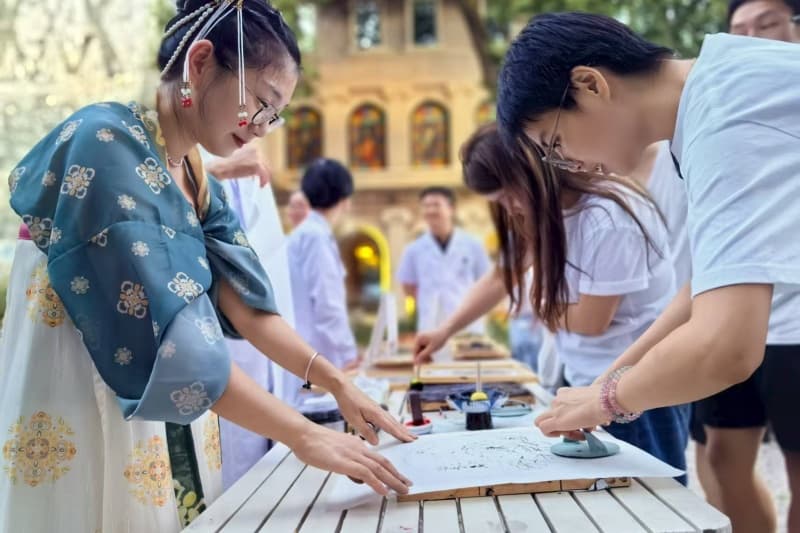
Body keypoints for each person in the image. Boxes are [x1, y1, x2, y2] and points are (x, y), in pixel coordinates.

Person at [0, 3, 412, 531]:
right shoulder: (103, 143)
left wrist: (335, 382)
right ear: (199, 63)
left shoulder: (193, 172)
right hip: (87, 386)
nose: (263, 129)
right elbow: (176, 343)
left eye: (274, 115)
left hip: (166, 390)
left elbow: (245, 301)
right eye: (261, 104)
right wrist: (305, 435)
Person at [496, 12, 800, 528]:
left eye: (554, 145)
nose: (569, 164)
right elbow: (700, 286)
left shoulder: (723, 114)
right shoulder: (709, 98)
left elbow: (726, 346)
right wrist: (607, 381)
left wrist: (607, 402)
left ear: (589, 85)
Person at [416, 124, 690, 476]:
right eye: (500, 202)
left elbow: (590, 321)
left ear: (533, 168)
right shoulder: (545, 211)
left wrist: (540, 300)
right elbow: (502, 275)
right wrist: (445, 330)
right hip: (591, 380)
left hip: (638, 391)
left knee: (652, 498)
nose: (511, 209)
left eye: (510, 195)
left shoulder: (607, 218)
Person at [205, 144, 297, 489]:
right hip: (212, 351)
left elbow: (269, 275)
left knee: (260, 479)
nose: (263, 127)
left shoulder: (254, 160)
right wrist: (217, 169)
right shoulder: (192, 153)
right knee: (222, 483)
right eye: (264, 104)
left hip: (261, 352)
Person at [286, 158, 359, 409]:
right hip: (318, 357)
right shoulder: (315, 237)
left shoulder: (304, 235)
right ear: (345, 198)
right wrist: (349, 357)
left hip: (304, 353)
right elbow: (328, 307)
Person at [397, 187, 491, 357]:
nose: (430, 210)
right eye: (426, 206)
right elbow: (408, 285)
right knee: (433, 375)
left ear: (451, 208)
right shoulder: (414, 249)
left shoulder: (473, 244)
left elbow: (486, 280)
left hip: (469, 326)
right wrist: (427, 303)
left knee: (469, 377)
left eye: (436, 204)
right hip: (430, 325)